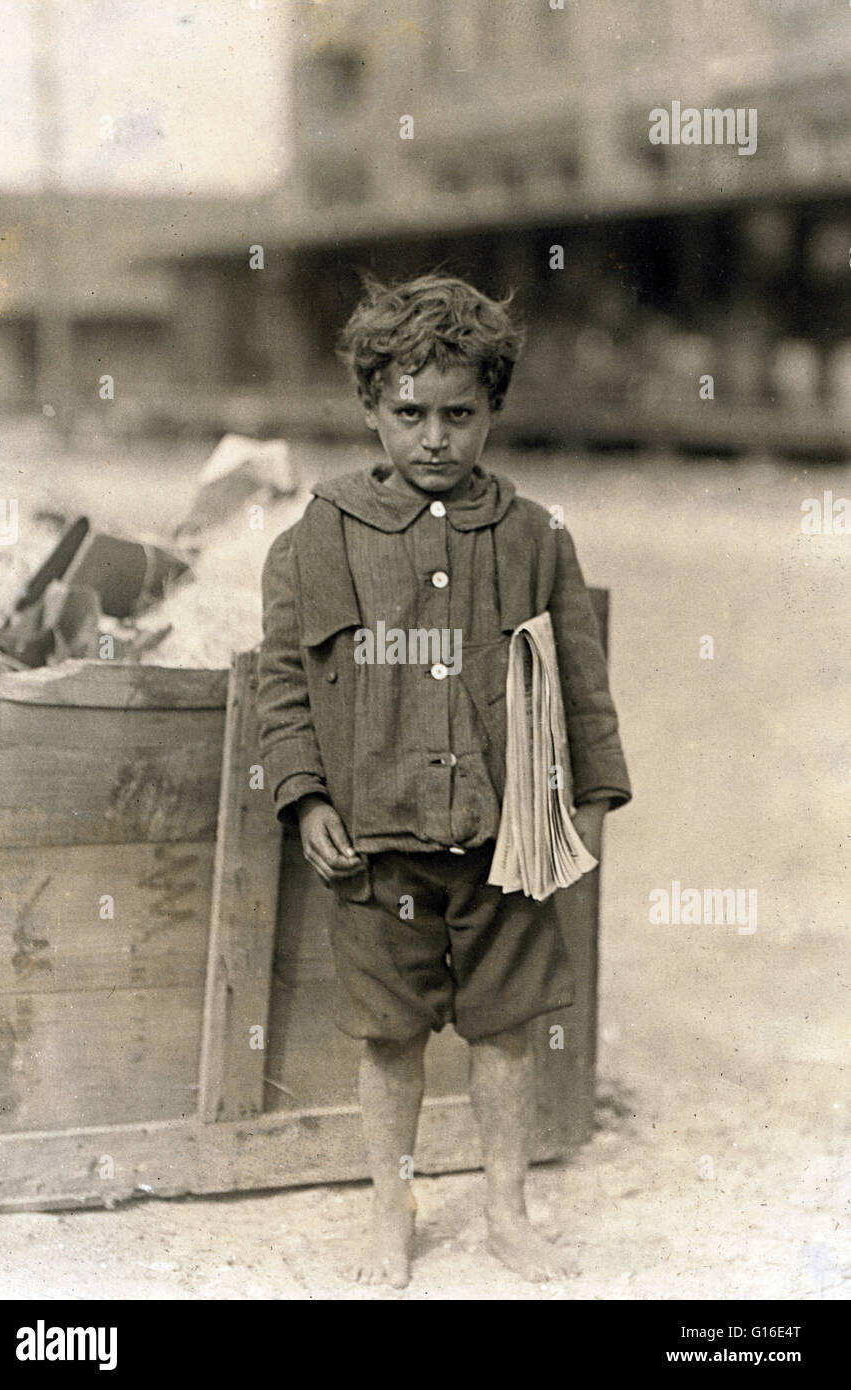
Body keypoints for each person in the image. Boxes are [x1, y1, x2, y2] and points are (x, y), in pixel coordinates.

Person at [257, 273, 631, 1287]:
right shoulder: (316, 536)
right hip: (377, 846)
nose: (433, 438)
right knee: (389, 1037)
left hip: (505, 840)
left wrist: (584, 802)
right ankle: (394, 1211)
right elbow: (285, 682)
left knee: (507, 1029)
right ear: (371, 407)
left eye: (459, 415)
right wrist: (306, 793)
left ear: (492, 409)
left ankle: (506, 1209)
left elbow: (583, 681)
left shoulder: (536, 535)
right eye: (409, 413)